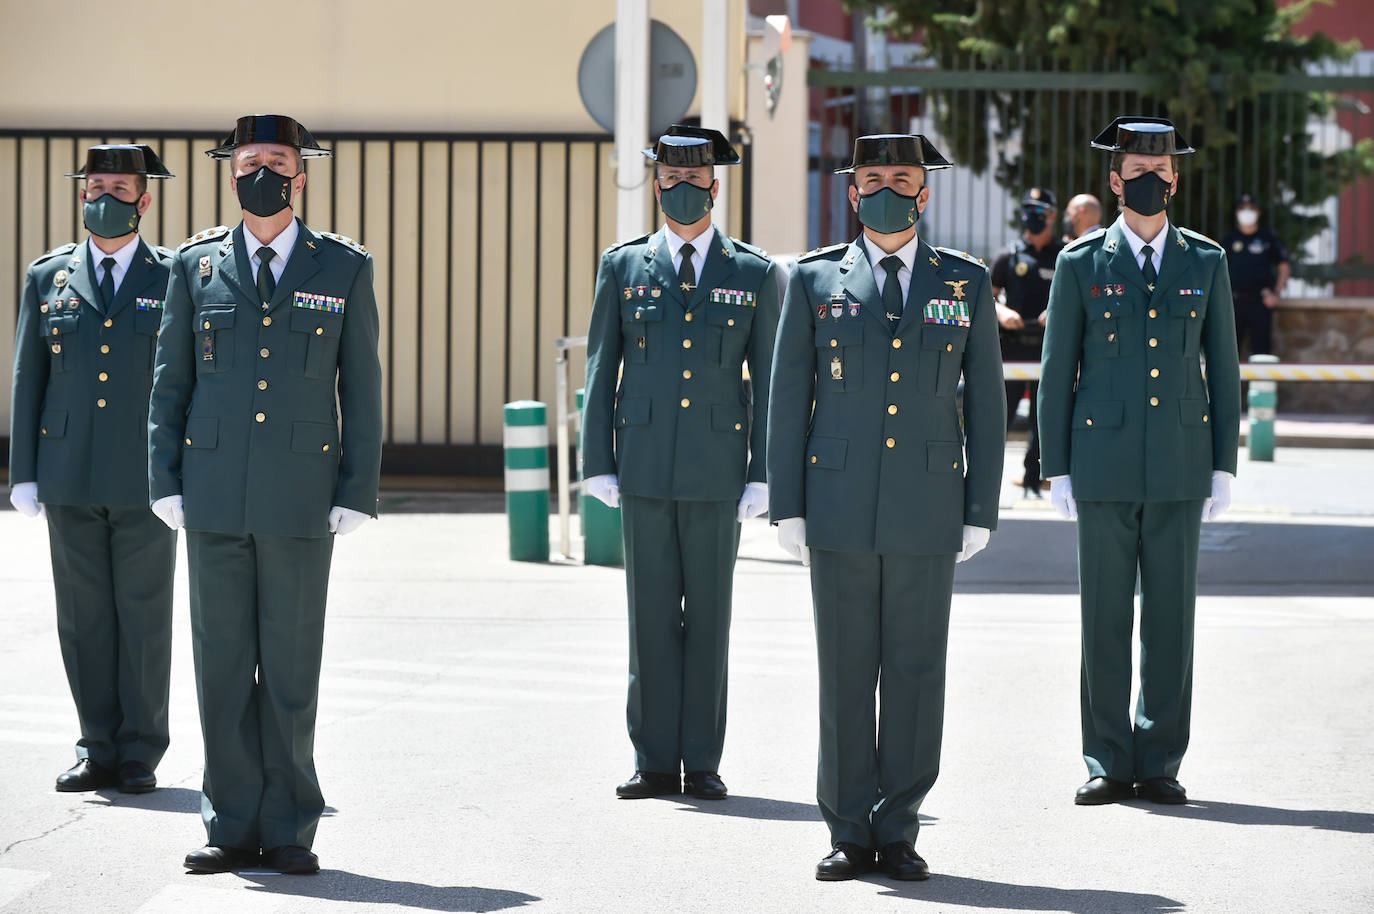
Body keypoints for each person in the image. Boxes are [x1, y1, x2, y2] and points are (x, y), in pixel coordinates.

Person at [147, 114, 383, 875]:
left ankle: (287, 827)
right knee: (220, 666)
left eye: (277, 163)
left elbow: (363, 388)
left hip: (300, 496)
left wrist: (357, 487)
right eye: (250, 162)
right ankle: (227, 824)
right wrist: (164, 479)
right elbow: (170, 382)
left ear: (300, 177)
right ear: (230, 175)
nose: (263, 175)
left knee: (289, 668)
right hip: (213, 492)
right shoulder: (195, 266)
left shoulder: (341, 266)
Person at [767, 134, 1005, 881]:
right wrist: (787, 504)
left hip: (928, 504)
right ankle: (846, 828)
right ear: (852, 193)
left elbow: (987, 403)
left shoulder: (964, 281)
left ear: (924, 194)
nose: (887, 192)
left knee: (915, 672)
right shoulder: (814, 279)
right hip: (837, 503)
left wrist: (980, 507)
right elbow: (788, 395)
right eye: (872, 180)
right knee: (844, 672)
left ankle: (899, 827)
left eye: (902, 180)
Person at [1039, 116, 1241, 808]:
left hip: (1181, 463)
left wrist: (1223, 465)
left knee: (1170, 618)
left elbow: (1223, 369)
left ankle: (1158, 758)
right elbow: (1057, 369)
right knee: (1103, 616)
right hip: (1102, 462)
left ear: (1174, 180)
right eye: (1136, 171)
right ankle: (1106, 756)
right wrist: (1058, 466)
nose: (1149, 180)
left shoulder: (1205, 260)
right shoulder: (1080, 262)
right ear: (1115, 180)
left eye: (1160, 170)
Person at [582, 125, 779, 803]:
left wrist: (763, 471)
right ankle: (654, 760)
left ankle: (704, 760)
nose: (683, 189)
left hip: (718, 471)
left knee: (710, 620)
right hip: (642, 465)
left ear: (714, 187)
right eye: (672, 179)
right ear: (657, 186)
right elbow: (602, 365)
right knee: (650, 618)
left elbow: (771, 380)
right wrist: (597, 460)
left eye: (695, 180)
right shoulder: (624, 265)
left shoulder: (752, 271)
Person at [9, 144, 176, 795]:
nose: (106, 197)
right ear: (83, 196)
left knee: (143, 616)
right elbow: (29, 377)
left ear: (144, 199)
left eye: (120, 188)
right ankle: (96, 745)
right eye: (97, 187)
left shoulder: (174, 276)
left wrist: (183, 471)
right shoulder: (48, 276)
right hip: (69, 472)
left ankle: (140, 750)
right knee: (83, 618)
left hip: (143, 477)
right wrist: (24, 472)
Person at [990, 188, 1064, 496]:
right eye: (1028, 210)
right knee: (1000, 415)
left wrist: (1057, 310)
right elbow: (987, 299)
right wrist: (1002, 312)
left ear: (1053, 215)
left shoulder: (1064, 255)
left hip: (1048, 347)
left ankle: (1035, 478)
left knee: (1042, 417)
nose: (1033, 216)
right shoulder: (1008, 255)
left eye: (1040, 210)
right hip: (1012, 347)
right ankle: (985, 477)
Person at [1220, 193, 1289, 357]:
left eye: (1251, 208)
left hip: (1260, 301)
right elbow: (1217, 269)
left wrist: (1276, 293)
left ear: (1258, 212)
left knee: (1262, 352)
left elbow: (1284, 266)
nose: (1247, 212)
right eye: (1243, 208)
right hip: (1233, 302)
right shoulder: (1229, 239)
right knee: (1229, 352)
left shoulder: (1268, 238)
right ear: (1237, 213)